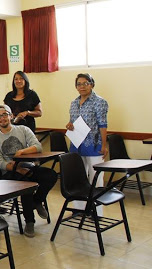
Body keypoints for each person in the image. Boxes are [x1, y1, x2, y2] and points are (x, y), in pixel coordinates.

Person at [0, 104, 57, 238]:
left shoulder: (23, 129)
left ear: (11, 116)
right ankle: (29, 221)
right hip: (10, 172)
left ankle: (37, 200)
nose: (2, 118)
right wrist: (17, 168)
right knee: (27, 185)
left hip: (29, 166)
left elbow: (37, 147)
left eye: (5, 114)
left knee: (51, 175)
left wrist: (22, 152)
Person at [66, 73, 108, 215]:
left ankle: (96, 210)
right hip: (77, 144)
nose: (82, 86)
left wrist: (103, 145)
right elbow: (72, 122)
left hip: (94, 144)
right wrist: (69, 125)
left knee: (96, 177)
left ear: (92, 84)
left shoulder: (99, 101)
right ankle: (79, 209)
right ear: (76, 86)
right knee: (78, 177)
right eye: (79, 84)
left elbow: (103, 125)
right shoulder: (73, 103)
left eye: (86, 83)